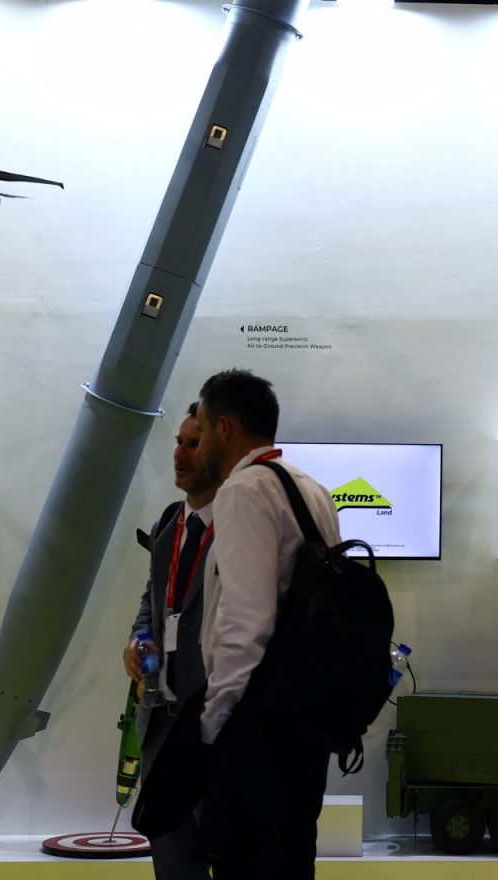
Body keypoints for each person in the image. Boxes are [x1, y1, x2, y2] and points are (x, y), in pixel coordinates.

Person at [194, 369, 341, 879]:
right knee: (293, 859)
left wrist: (214, 721)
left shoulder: (244, 490)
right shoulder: (311, 488)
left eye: (202, 431)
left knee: (246, 863)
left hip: (259, 721)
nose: (199, 445)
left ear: (225, 427)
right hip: (308, 716)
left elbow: (246, 621)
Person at [123, 403, 218, 879]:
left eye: (193, 444)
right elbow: (153, 599)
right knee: (174, 864)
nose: (179, 453)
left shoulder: (242, 524)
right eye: (178, 442)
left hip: (216, 730)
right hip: (162, 726)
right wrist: (140, 637)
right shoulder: (168, 522)